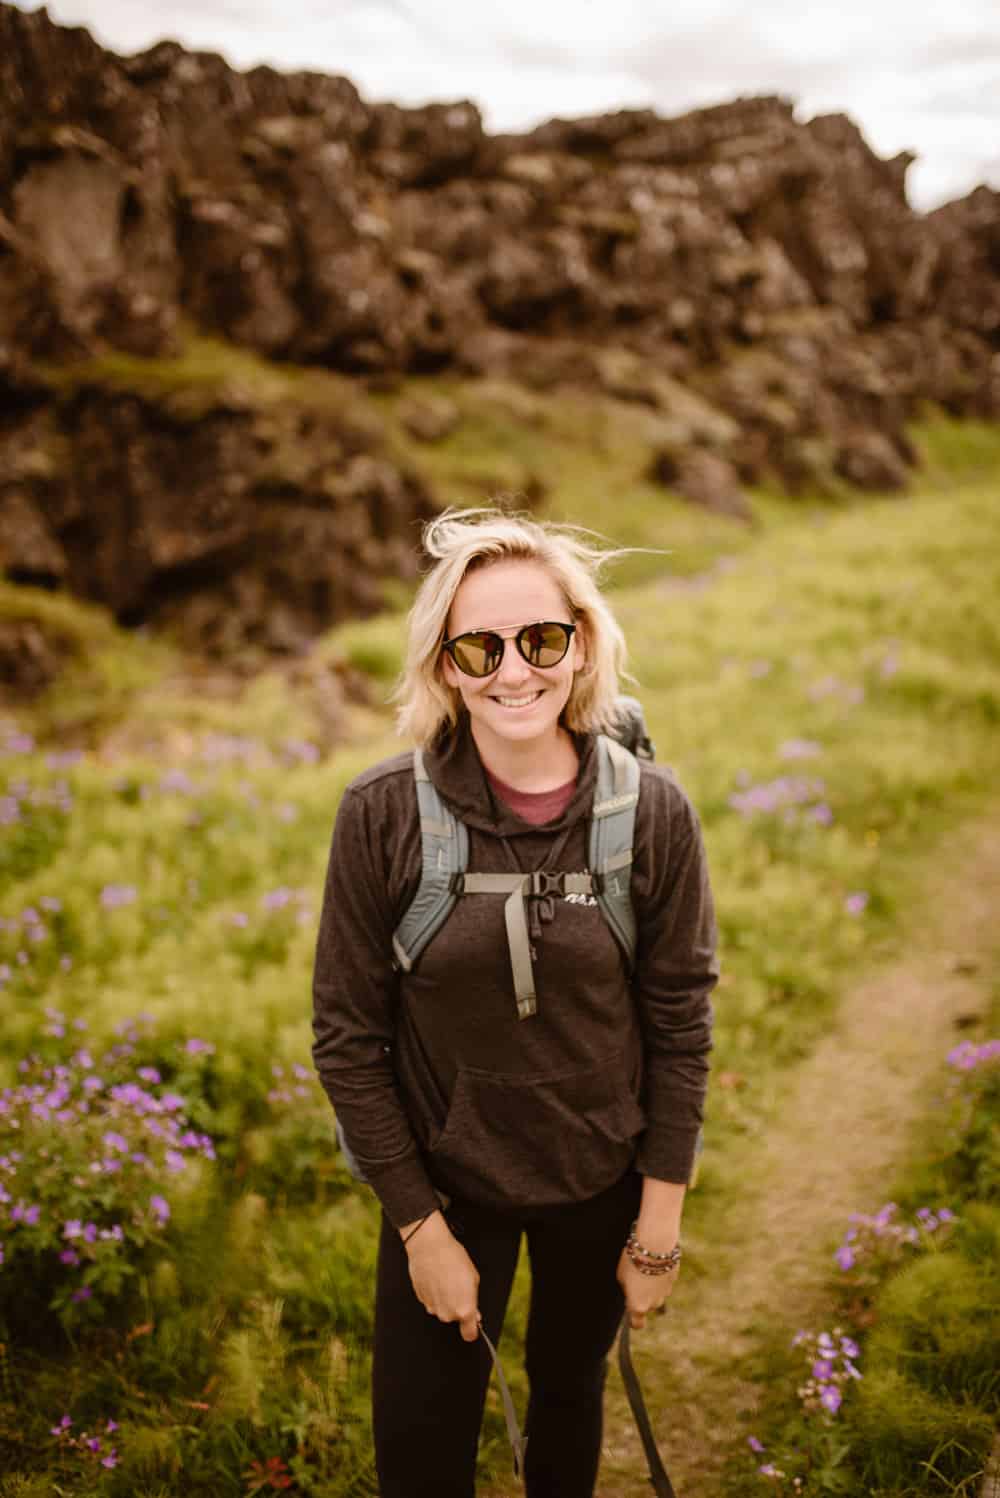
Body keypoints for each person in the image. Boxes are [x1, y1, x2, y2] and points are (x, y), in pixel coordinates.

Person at [311, 508, 718, 1498]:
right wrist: (420, 1230)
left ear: (580, 646)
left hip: (597, 1179)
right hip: (446, 1190)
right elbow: (347, 1038)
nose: (512, 669)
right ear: (444, 665)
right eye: (479, 646)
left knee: (569, 1394)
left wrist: (655, 1227)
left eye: (540, 639)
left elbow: (679, 1023)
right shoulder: (380, 816)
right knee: (421, 1448)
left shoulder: (652, 812)